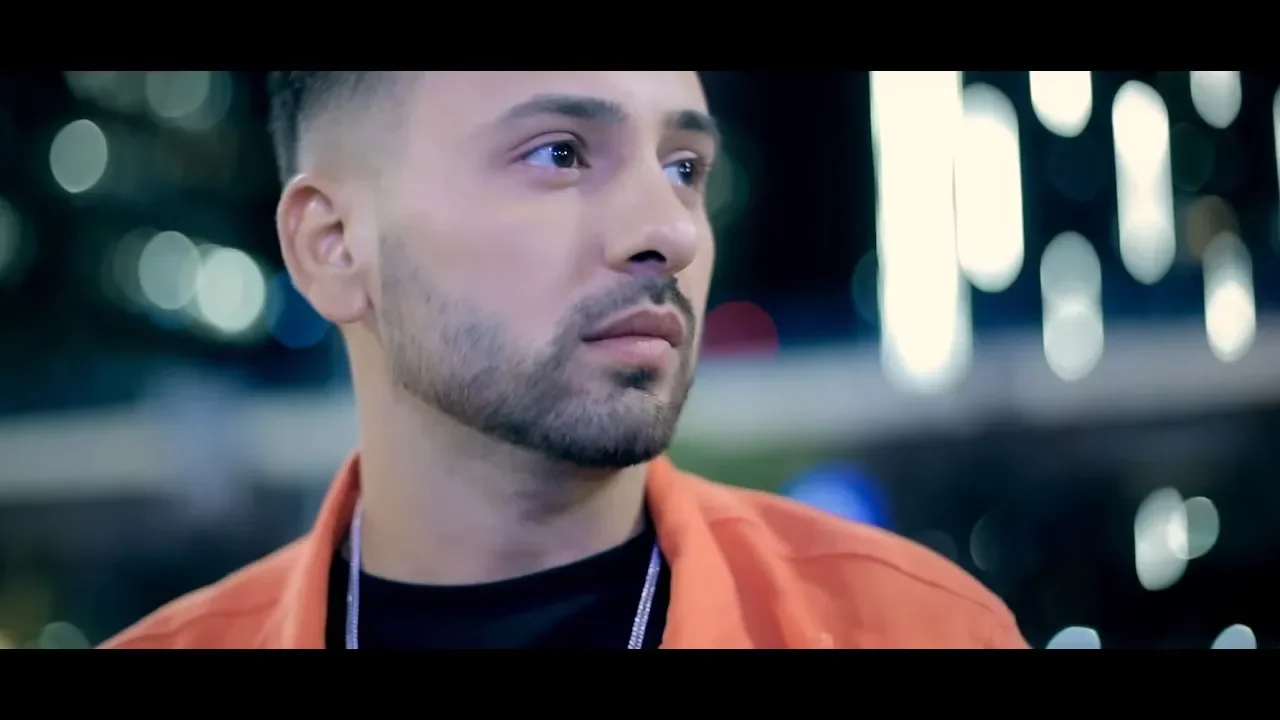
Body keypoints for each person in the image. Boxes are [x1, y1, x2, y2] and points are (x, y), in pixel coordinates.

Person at [101, 71, 1028, 649]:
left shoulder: (919, 631)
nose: (670, 232)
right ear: (335, 246)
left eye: (684, 169)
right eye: (561, 153)